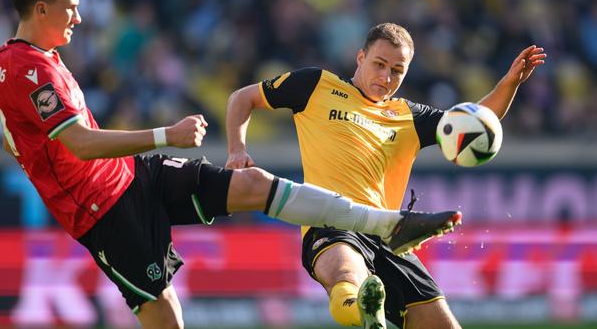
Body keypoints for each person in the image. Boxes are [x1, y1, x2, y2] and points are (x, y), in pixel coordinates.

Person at [0, 0, 462, 329]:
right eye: (70, 6)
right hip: (105, 212)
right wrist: (166, 135)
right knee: (167, 319)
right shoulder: (26, 69)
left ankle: (390, 224)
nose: (79, 14)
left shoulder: (39, 58)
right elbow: (80, 144)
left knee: (253, 183)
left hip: (134, 175)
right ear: (41, 9)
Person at [225, 23, 546, 329]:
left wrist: (510, 83)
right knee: (346, 277)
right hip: (330, 221)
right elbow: (243, 98)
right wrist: (237, 149)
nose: (386, 77)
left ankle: (368, 309)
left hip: (390, 236)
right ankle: (366, 313)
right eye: (379, 64)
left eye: (397, 71)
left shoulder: (408, 115)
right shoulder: (315, 85)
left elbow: (474, 124)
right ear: (360, 57)